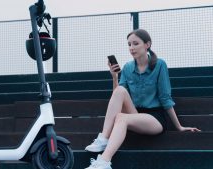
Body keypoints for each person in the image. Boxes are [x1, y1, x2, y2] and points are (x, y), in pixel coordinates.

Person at [84, 29, 201, 169]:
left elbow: (165, 98)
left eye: (135, 43)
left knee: (122, 118)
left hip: (154, 118)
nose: (131, 48)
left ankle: (104, 161)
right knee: (120, 91)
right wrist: (114, 77)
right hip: (135, 114)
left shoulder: (159, 65)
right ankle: (103, 138)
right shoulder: (127, 68)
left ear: (147, 44)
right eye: (129, 44)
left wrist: (179, 126)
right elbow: (117, 96)